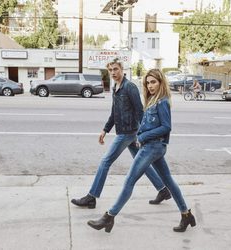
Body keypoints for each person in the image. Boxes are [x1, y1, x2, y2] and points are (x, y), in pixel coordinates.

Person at [87, 68, 196, 233]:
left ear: (161, 82)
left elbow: (166, 127)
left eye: (154, 82)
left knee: (129, 181)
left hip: (152, 147)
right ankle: (186, 214)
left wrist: (143, 137)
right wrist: (140, 134)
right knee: (169, 183)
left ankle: (109, 217)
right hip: (153, 147)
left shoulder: (162, 102)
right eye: (148, 82)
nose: (150, 86)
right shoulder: (152, 100)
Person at [71, 59, 171, 209]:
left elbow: (139, 111)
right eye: (110, 70)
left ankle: (92, 197)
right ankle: (163, 190)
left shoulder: (129, 87)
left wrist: (144, 134)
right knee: (143, 163)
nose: (113, 73)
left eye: (116, 69)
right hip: (126, 132)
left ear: (122, 69)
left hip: (129, 132)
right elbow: (114, 112)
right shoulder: (115, 88)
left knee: (105, 161)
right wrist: (105, 129)